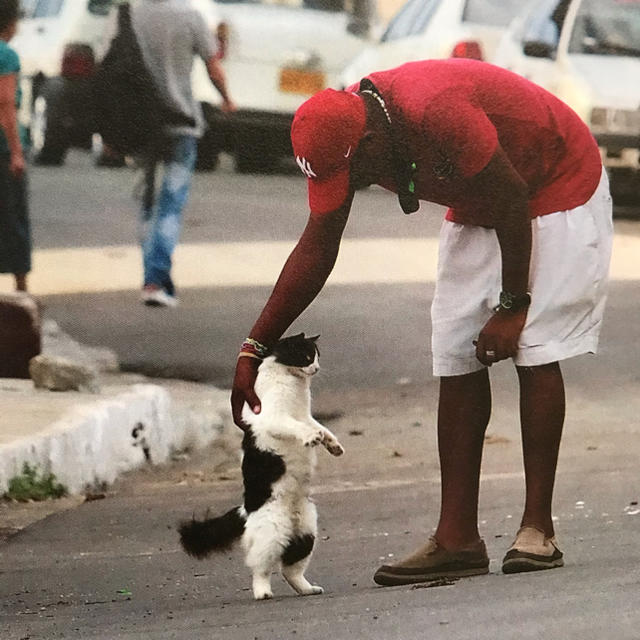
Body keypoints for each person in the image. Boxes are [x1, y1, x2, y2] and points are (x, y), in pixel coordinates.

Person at [231, 59, 613, 583]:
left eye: (353, 173)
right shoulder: (344, 128)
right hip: (481, 193)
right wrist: (254, 347)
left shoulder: (436, 110)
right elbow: (319, 244)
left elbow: (511, 195)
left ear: (369, 144)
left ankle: (537, 531)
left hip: (553, 180)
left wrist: (513, 304)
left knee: (533, 348)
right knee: (455, 351)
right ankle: (457, 538)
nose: (355, 185)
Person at [132, 0, 235, 307]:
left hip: (140, 125)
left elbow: (108, 67)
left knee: (147, 203)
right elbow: (213, 67)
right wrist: (227, 99)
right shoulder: (190, 17)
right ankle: (156, 280)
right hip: (181, 122)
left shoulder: (128, 14)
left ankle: (152, 276)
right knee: (170, 205)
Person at [0, 0, 31, 293]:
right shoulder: (6, 55)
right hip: (2, 148)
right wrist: (17, 152)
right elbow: (6, 104)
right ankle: (21, 289)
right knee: (13, 218)